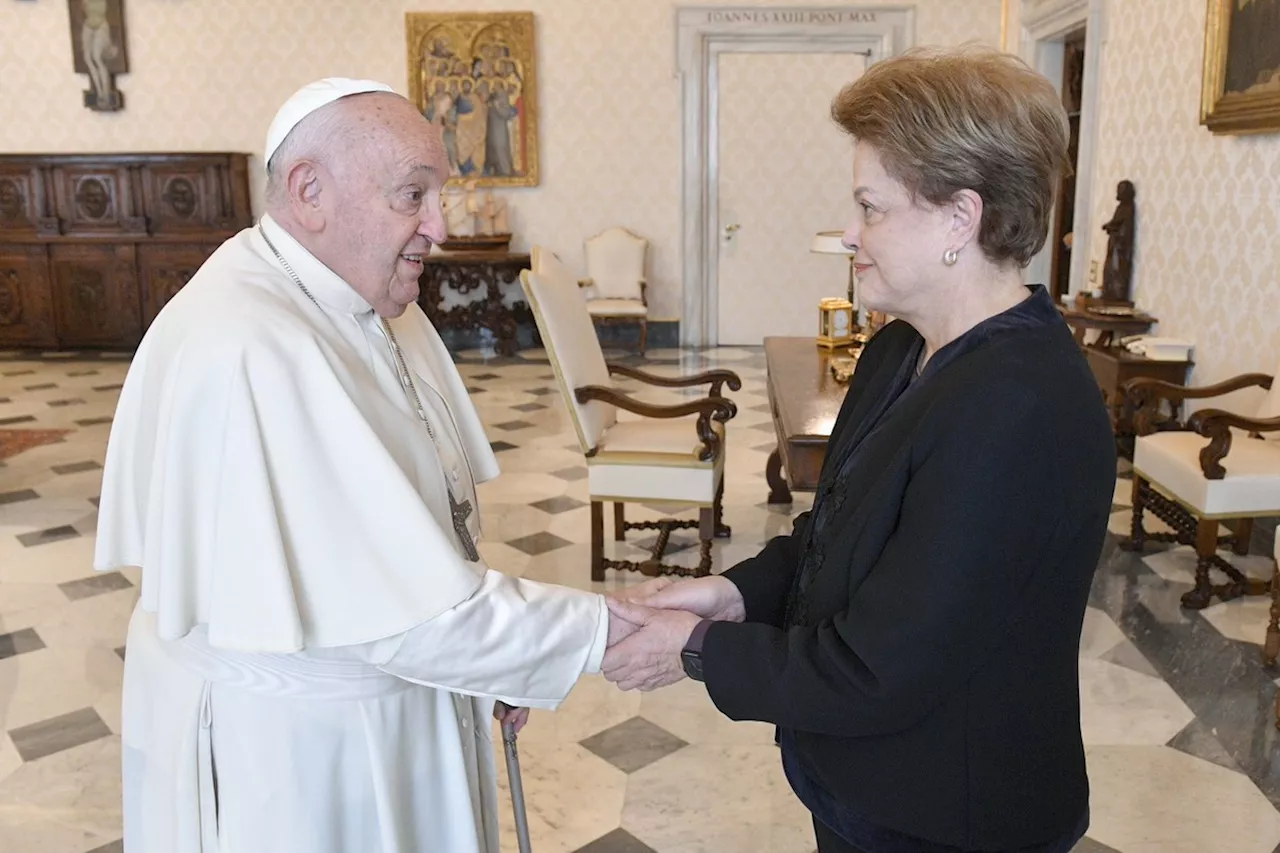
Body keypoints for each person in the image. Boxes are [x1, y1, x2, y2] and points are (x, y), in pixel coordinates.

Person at [95, 78, 635, 853]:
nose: (438, 227)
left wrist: (494, 663)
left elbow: (409, 544)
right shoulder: (250, 342)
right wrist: (600, 635)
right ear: (310, 191)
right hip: (309, 752)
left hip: (393, 700)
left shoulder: (370, 299)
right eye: (412, 195)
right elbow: (405, 619)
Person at [604, 47, 1116, 853]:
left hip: (948, 814)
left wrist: (698, 649)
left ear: (961, 218)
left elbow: (883, 667)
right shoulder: (899, 351)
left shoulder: (1020, 408)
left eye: (871, 207)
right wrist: (731, 596)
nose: (849, 232)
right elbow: (839, 537)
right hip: (867, 790)